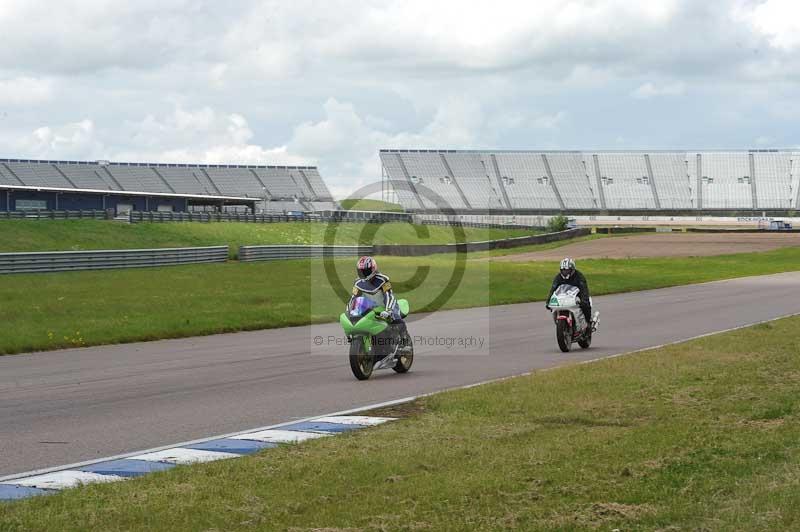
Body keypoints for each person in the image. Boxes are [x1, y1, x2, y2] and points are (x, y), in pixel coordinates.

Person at [348, 256, 408, 339]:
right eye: (360, 271)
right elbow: (353, 298)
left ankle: (404, 340)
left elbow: (389, 295)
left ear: (373, 269)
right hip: (371, 308)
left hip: (386, 306)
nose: (363, 274)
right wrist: (349, 312)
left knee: (395, 318)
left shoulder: (383, 280)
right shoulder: (358, 283)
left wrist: (389, 311)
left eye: (366, 271)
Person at [546, 257, 594, 329]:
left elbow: (584, 290)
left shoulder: (579, 276)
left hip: (577, 295)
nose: (565, 272)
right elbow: (553, 289)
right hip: (564, 296)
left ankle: (588, 322)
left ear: (572, 270)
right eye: (563, 270)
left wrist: (584, 300)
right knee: (553, 308)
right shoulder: (558, 277)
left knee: (585, 305)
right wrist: (548, 301)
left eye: (567, 270)